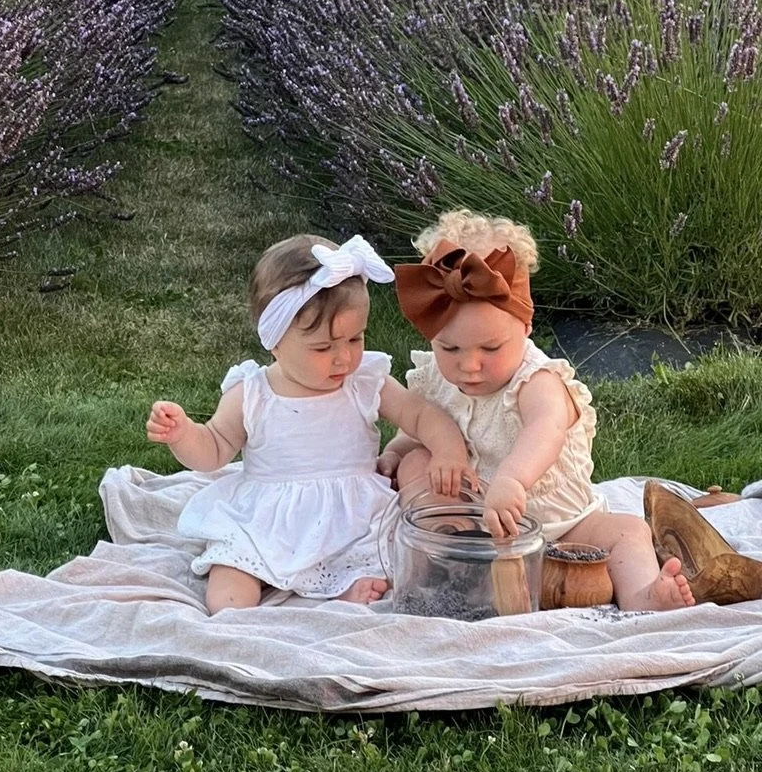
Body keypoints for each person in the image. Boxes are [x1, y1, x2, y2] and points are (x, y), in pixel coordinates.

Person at [377, 209, 695, 612]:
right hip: (484, 524)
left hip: (568, 526)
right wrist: (395, 451)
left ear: (525, 326)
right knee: (420, 462)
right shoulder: (440, 378)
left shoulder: (536, 380)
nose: (468, 365)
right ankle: (448, 554)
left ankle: (646, 595)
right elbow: (425, 423)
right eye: (450, 348)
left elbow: (546, 430)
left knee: (628, 531)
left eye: (490, 348)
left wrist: (512, 479)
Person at [147, 233, 475, 614]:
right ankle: (236, 621)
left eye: (355, 338)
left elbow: (419, 413)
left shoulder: (365, 381)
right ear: (274, 341)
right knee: (233, 565)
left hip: (349, 514)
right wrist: (184, 433)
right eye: (323, 347)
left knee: (384, 552)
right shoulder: (252, 392)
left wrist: (448, 450)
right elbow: (214, 448)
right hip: (268, 518)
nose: (344, 358)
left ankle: (341, 592)